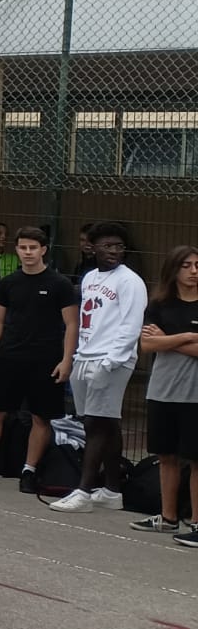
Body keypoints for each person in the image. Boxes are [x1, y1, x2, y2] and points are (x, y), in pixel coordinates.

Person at [0, 227, 78, 490]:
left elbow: (71, 324)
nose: (28, 252)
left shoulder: (60, 284)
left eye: (33, 248)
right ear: (17, 249)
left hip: (46, 360)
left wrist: (67, 360)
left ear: (43, 250)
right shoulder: (8, 282)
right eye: (23, 247)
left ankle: (29, 471)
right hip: (9, 357)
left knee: (40, 418)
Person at [49, 223, 146, 512]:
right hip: (86, 355)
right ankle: (112, 491)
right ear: (93, 248)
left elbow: (131, 325)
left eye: (119, 246)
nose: (114, 251)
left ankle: (83, 491)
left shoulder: (130, 281)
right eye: (108, 246)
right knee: (106, 422)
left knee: (96, 424)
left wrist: (111, 361)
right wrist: (78, 355)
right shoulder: (90, 277)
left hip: (111, 359)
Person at [135, 246, 198, 545]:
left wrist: (167, 340)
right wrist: (187, 336)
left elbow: (161, 343)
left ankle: (196, 523)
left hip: (194, 395)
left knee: (196, 460)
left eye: (197, 265)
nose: (194, 271)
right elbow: (147, 345)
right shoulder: (159, 305)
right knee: (166, 455)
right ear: (173, 269)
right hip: (162, 391)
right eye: (186, 265)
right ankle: (168, 517)